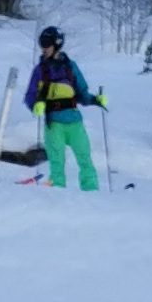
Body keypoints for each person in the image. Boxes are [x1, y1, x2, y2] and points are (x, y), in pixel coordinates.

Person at [23, 25, 106, 189]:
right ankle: (57, 193)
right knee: (56, 163)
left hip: (74, 122)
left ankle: (92, 192)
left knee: (85, 159)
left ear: (56, 44)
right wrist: (35, 105)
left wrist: (96, 100)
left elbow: (82, 94)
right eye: (41, 44)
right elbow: (30, 95)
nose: (43, 48)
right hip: (54, 124)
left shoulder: (70, 67)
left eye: (46, 44)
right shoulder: (40, 70)